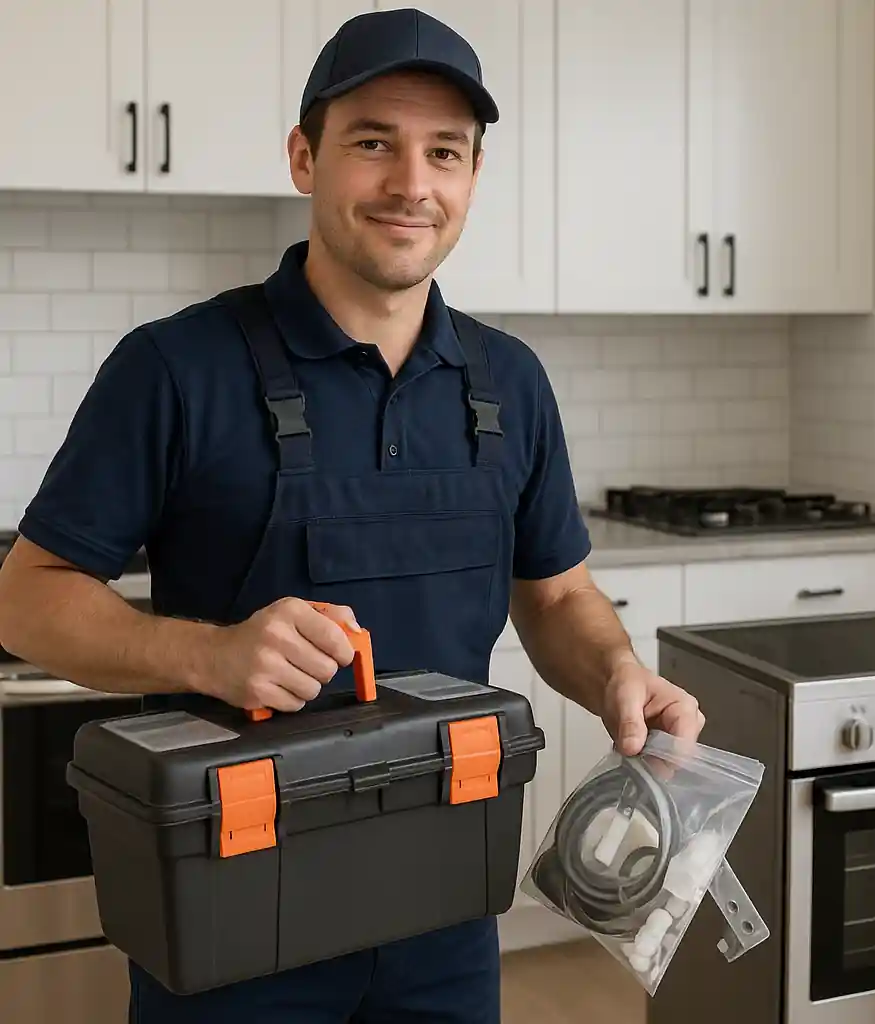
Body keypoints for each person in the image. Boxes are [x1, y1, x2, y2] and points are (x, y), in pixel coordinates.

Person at [0, 8, 703, 1022]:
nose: (411, 183)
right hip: (232, 905)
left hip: (445, 907)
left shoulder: (510, 384)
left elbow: (555, 594)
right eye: (373, 141)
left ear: (470, 178)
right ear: (304, 158)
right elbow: (27, 599)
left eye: (444, 152)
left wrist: (615, 674)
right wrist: (209, 656)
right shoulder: (175, 368)